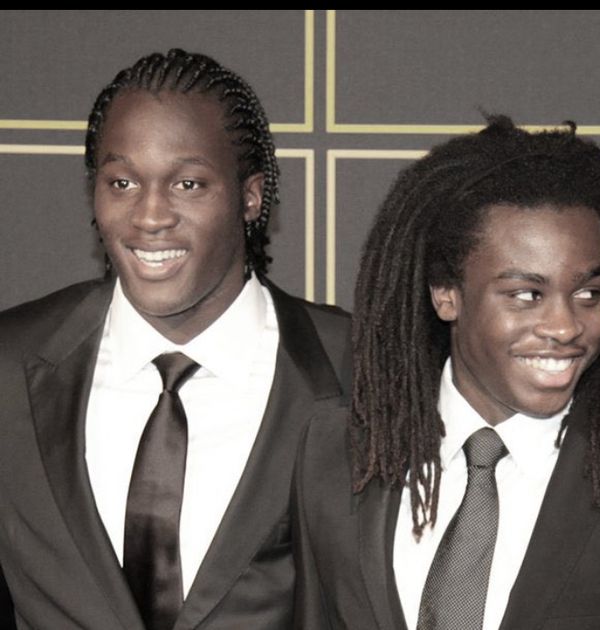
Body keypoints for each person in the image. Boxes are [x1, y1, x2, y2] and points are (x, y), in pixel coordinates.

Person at [293, 116, 600, 629]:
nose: (564, 326)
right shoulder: (336, 454)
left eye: (588, 294)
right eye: (526, 295)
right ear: (446, 294)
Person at [0, 49, 350, 629]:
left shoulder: (359, 371)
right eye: (122, 182)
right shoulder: (10, 368)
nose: (150, 215)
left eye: (188, 184)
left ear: (250, 197)